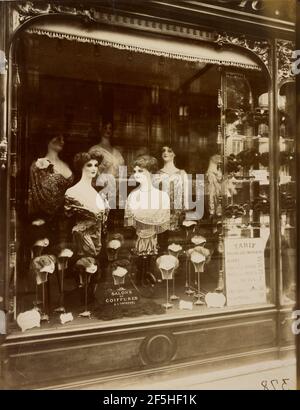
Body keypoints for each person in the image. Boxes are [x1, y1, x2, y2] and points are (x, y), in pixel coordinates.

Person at [125, 155, 170, 286]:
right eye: (134, 171)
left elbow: (164, 221)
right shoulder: (133, 196)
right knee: (141, 260)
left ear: (151, 172)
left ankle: (149, 275)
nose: (136, 174)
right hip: (139, 239)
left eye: (141, 171)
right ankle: (141, 275)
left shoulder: (162, 196)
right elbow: (130, 223)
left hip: (156, 240)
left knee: (152, 260)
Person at [28, 132, 73, 247]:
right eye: (58, 138)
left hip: (67, 217)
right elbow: (38, 193)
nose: (62, 141)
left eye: (63, 139)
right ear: (48, 140)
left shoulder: (65, 164)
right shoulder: (38, 166)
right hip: (48, 218)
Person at [64, 152, 109, 258]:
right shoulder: (72, 192)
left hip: (98, 240)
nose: (93, 168)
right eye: (89, 165)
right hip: (82, 240)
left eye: (96, 165)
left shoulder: (96, 193)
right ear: (81, 167)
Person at [154, 145, 188, 231]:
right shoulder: (157, 174)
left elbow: (186, 199)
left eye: (169, 151)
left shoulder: (182, 173)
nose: (165, 153)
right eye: (163, 151)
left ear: (174, 154)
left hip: (178, 215)